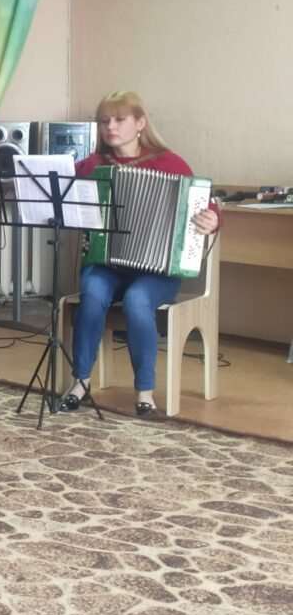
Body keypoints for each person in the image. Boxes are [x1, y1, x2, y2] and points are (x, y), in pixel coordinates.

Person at [59, 90, 220, 418]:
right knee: (92, 294)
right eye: (104, 121)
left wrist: (213, 218)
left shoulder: (170, 164)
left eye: (119, 119)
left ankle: (144, 391)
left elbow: (205, 204)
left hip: (156, 270)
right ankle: (81, 381)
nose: (110, 127)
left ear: (140, 123)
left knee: (137, 301)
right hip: (107, 264)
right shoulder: (93, 166)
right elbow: (59, 191)